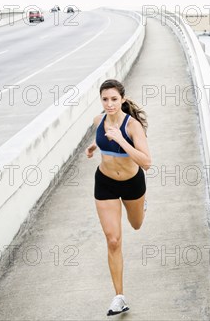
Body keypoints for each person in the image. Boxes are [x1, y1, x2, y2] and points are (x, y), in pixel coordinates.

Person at [85, 79, 151, 316]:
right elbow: (103, 138)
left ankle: (142, 207)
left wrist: (121, 140)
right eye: (105, 99)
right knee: (113, 240)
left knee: (136, 225)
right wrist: (95, 146)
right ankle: (119, 297)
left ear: (122, 99)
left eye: (114, 99)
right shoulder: (98, 121)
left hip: (132, 184)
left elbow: (146, 162)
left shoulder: (133, 127)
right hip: (105, 184)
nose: (109, 104)